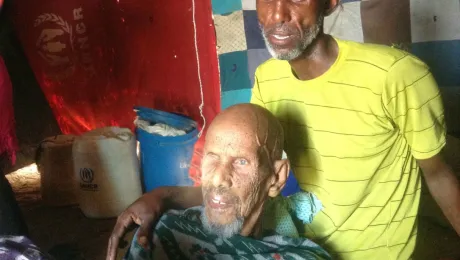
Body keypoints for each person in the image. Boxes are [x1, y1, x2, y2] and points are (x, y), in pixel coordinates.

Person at [108, 0, 460, 259]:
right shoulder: (269, 79)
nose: (277, 15)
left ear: (331, 3)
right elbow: (250, 177)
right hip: (296, 247)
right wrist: (162, 196)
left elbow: (440, 176)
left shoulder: (395, 75)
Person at [122, 104, 330, 259]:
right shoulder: (162, 234)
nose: (218, 178)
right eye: (212, 157)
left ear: (276, 178)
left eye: (241, 162)